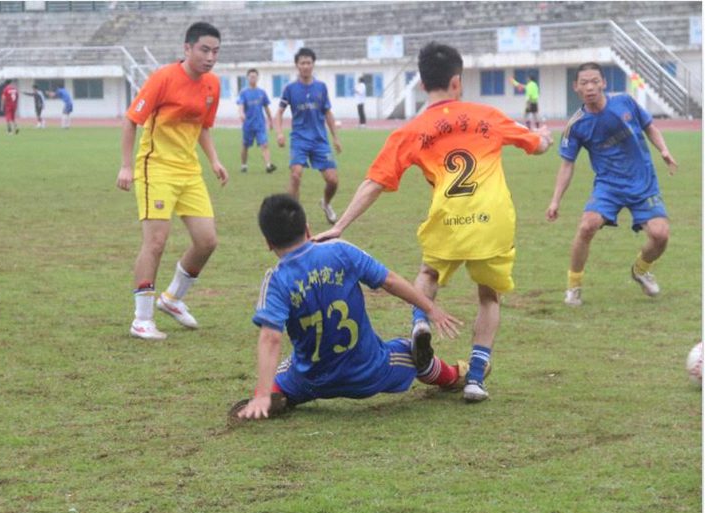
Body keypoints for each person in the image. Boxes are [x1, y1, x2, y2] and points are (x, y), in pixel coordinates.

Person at [313, 43, 553, 402]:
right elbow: (537, 145)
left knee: (428, 273)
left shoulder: (412, 130)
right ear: (457, 81)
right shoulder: (487, 115)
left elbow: (374, 182)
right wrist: (545, 137)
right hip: (492, 220)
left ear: (423, 84)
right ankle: (475, 379)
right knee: (489, 296)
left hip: (448, 219)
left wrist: (340, 225)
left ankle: (420, 322)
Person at [233, 194, 465, 420]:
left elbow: (270, 337)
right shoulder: (341, 251)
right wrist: (430, 309)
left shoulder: (276, 280)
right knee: (411, 351)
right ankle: (453, 376)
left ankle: (267, 397)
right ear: (307, 228)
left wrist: (262, 392)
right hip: (369, 373)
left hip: (311, 380)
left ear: (268, 243)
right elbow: (389, 281)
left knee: (285, 370)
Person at [116, 21, 228, 340]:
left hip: (189, 171)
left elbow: (203, 126)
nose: (210, 57)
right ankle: (142, 319)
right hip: (156, 169)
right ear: (187, 48)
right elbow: (131, 120)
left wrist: (214, 160)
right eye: (204, 50)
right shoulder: (163, 78)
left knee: (207, 241)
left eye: (215, 51)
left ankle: (173, 298)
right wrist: (126, 166)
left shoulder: (212, 85)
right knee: (156, 242)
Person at [546, 62, 678, 307]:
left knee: (660, 235)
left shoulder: (625, 102)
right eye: (584, 83)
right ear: (576, 87)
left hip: (643, 181)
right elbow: (567, 164)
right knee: (587, 226)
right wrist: (555, 201)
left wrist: (664, 150)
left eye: (595, 81)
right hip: (609, 186)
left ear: (604, 83)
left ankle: (640, 270)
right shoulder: (576, 125)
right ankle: (574, 286)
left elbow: (649, 126)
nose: (590, 87)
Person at [273, 47, 342, 225]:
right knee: (296, 174)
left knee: (333, 181)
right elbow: (279, 113)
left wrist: (335, 137)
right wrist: (279, 133)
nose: (305, 66)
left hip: (320, 140)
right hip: (299, 139)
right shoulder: (290, 89)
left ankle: (326, 203)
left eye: (308, 63)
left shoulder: (321, 87)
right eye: (302, 63)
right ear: (297, 65)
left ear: (313, 64)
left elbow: (328, 113)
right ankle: (295, 215)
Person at [237, 68, 276, 174]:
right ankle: (244, 165)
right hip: (248, 124)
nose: (253, 78)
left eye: (254, 76)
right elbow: (240, 105)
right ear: (247, 78)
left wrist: (270, 120)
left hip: (260, 124)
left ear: (258, 78)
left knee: (264, 144)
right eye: (251, 77)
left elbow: (266, 108)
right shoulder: (244, 92)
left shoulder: (262, 93)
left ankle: (268, 165)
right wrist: (241, 113)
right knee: (245, 145)